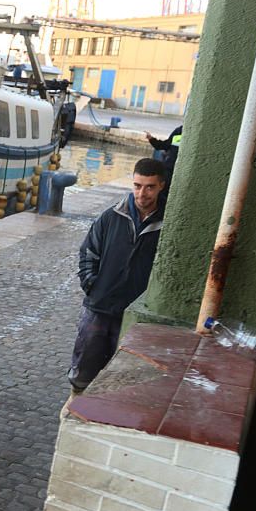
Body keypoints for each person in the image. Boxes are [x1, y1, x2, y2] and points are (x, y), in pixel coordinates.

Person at [68, 158, 167, 393]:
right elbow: (88, 252)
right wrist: (93, 285)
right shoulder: (110, 217)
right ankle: (76, 410)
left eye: (149, 187)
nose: (142, 193)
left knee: (124, 378)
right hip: (98, 309)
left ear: (161, 185)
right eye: (137, 185)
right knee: (83, 373)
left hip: (135, 317)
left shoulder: (167, 224)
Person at [145, 125, 182, 189]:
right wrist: (151, 139)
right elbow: (165, 145)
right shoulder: (179, 131)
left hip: (180, 172)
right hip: (169, 169)